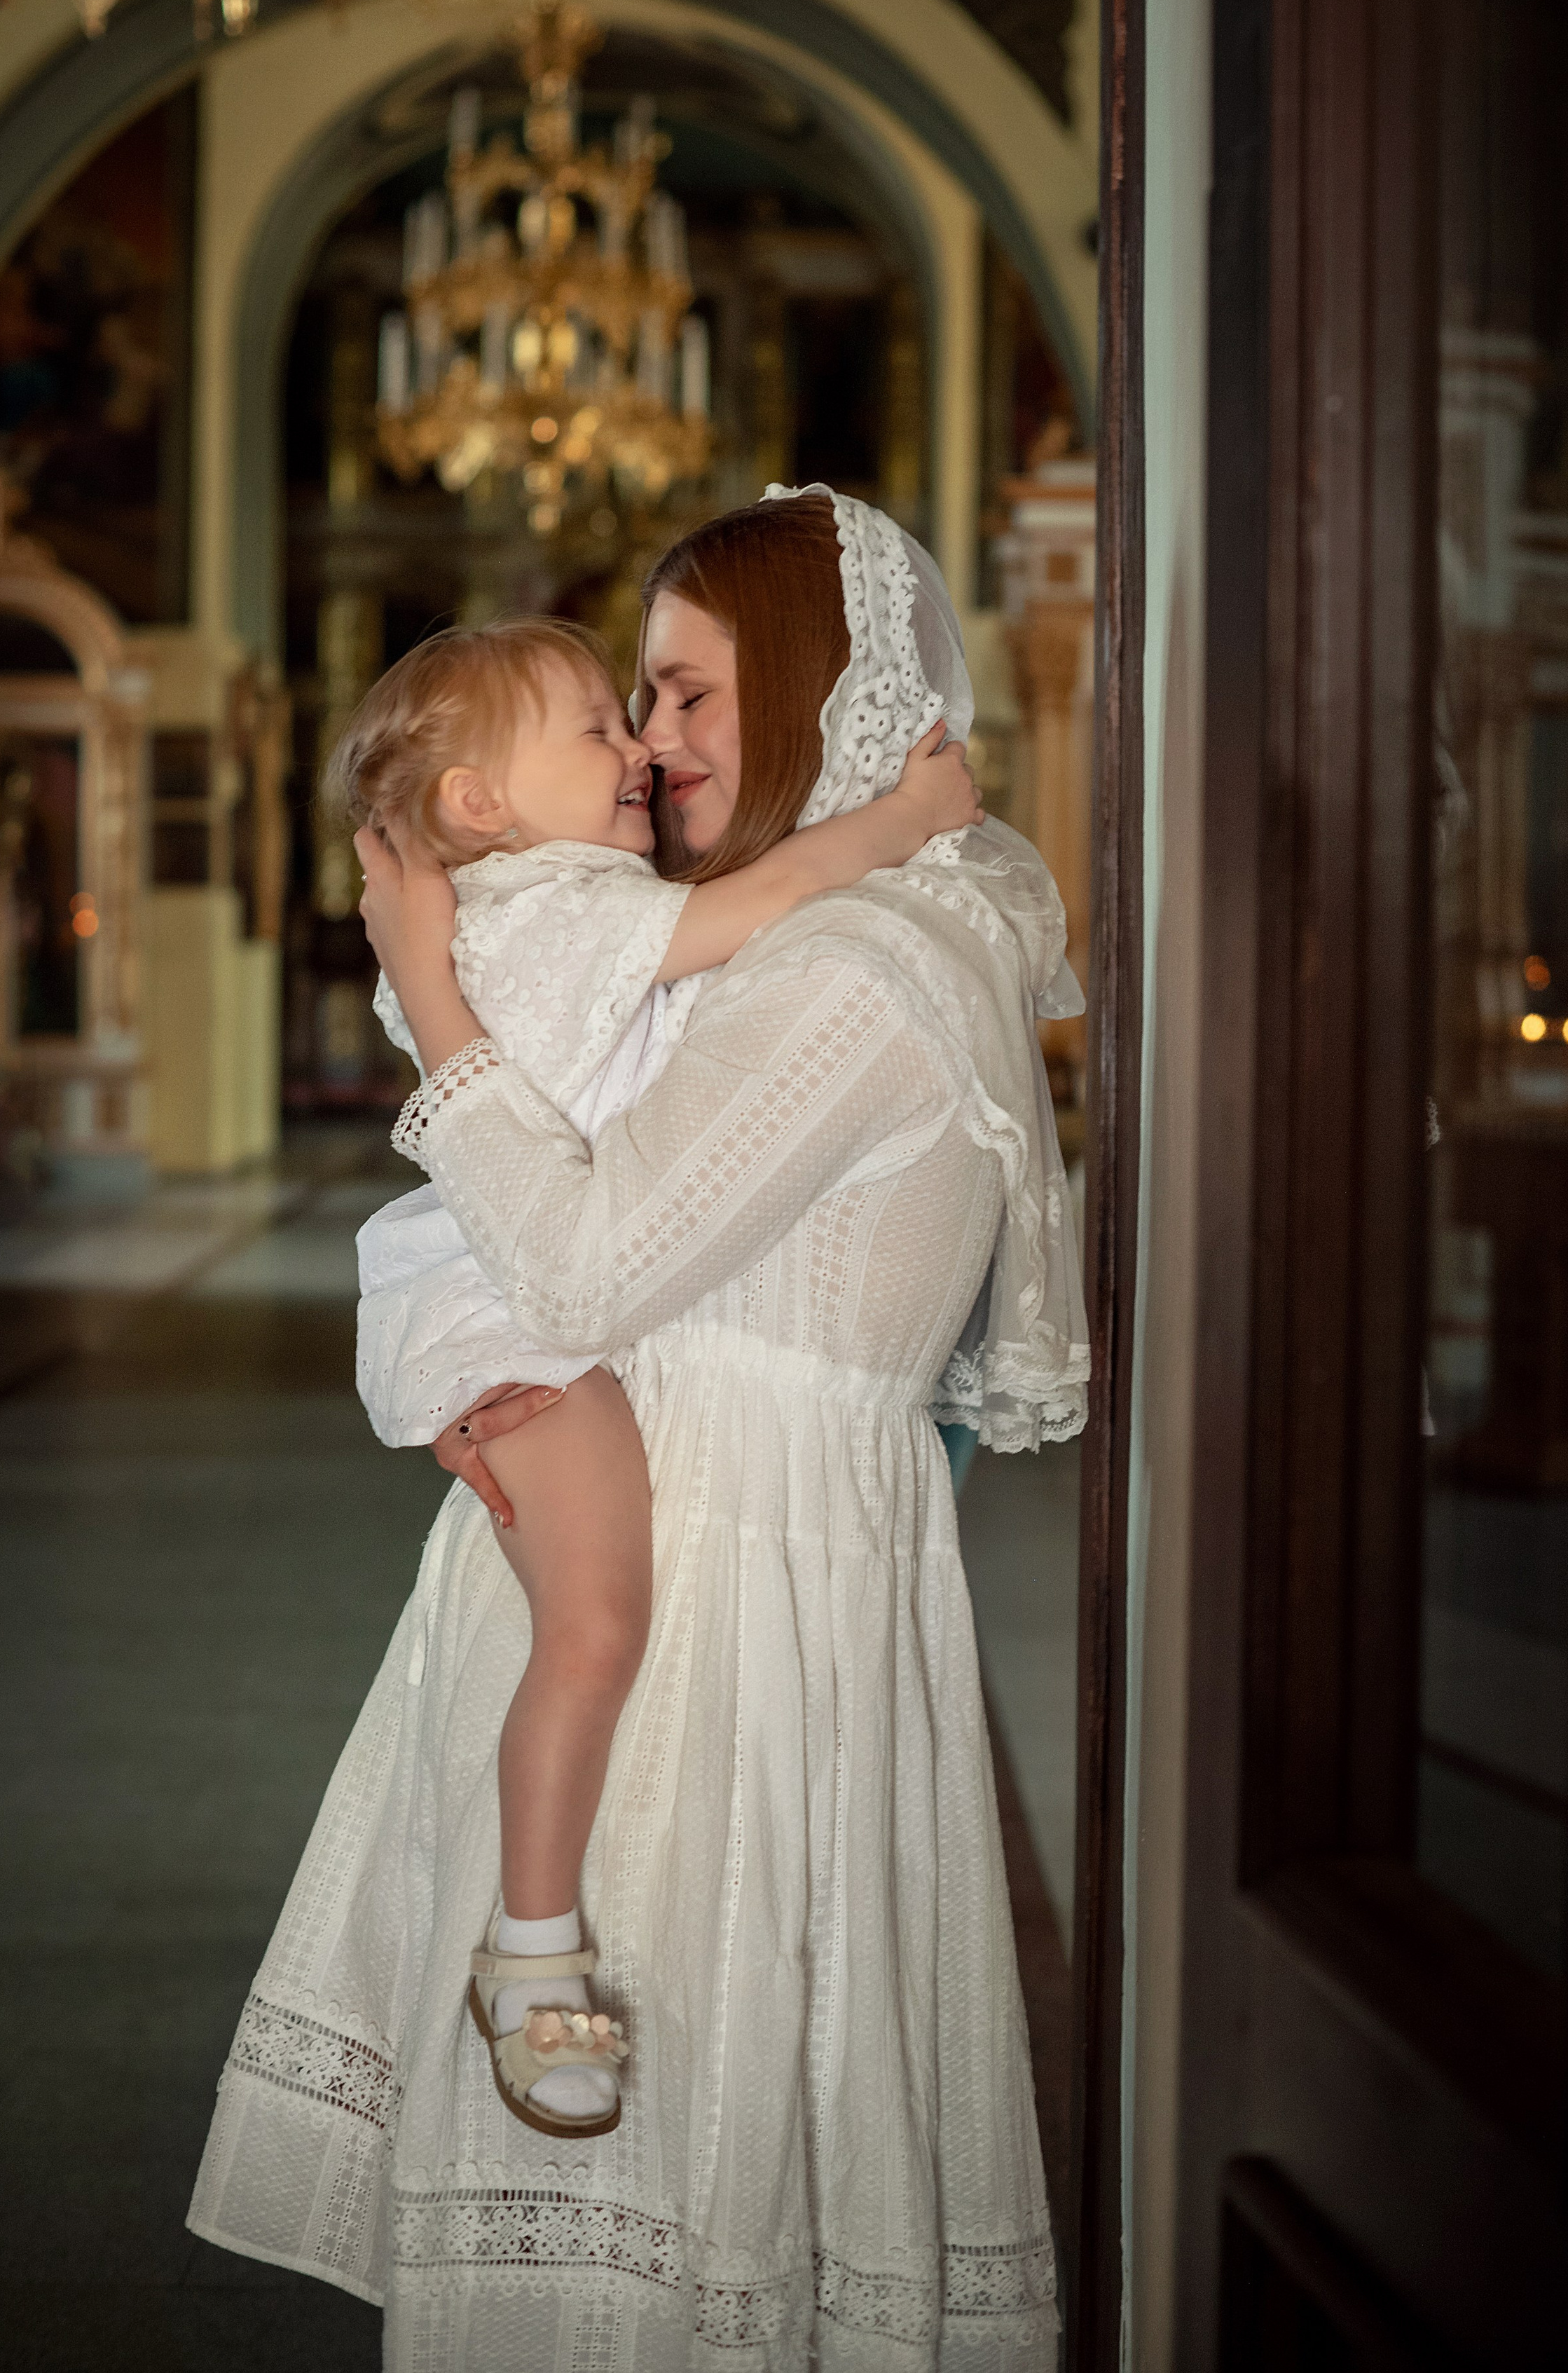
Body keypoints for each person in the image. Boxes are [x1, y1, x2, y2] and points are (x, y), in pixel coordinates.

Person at [188, 485, 1089, 2371]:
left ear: (817, 681)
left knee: (648, 2213)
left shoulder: (855, 969)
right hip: (684, 1547)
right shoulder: (828, 932)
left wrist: (436, 1000)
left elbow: (591, 1263)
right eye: (636, 706)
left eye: (684, 694)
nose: (659, 748)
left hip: (718, 1625)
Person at [329, 613, 983, 2137]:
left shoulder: (553, 892)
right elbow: (769, 897)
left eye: (653, 710)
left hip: (518, 1301)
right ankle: (533, 1951)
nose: (635, 746)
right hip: (514, 1317)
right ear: (481, 804)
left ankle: (531, 1936)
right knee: (598, 1618)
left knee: (587, 1619)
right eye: (595, 726)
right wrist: (903, 817)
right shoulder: (549, 908)